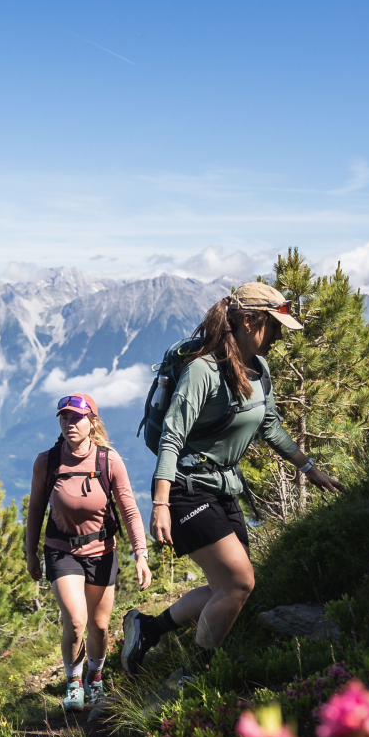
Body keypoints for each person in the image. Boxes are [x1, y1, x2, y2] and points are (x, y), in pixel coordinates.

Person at [121, 281, 343, 673]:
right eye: (274, 326)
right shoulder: (202, 371)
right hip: (186, 489)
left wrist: (311, 470)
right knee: (238, 583)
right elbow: (171, 437)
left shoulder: (259, 368)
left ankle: (147, 629)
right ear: (248, 321)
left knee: (226, 587)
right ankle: (194, 675)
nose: (278, 336)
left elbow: (270, 425)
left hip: (224, 487)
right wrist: (159, 504)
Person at [25, 392, 151, 710]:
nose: (69, 423)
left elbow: (130, 511)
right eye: (64, 418)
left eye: (77, 417)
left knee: (99, 626)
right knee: (77, 621)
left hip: (102, 550)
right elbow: (36, 510)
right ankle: (74, 683)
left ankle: (95, 679)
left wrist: (141, 554)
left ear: (92, 422)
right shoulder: (48, 461)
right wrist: (30, 554)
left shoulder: (109, 461)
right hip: (61, 551)